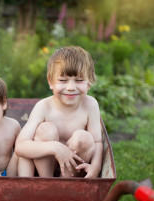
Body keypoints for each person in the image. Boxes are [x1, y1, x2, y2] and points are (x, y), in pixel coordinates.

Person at [15, 46, 103, 178]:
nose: (71, 87)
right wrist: (55, 147)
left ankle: (66, 184)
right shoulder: (44, 107)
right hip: (45, 166)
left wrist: (95, 168)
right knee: (46, 129)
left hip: (73, 170)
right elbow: (20, 146)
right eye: (62, 80)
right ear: (50, 81)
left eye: (79, 80)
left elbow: (97, 142)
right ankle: (48, 182)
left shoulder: (90, 105)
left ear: (89, 83)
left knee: (83, 138)